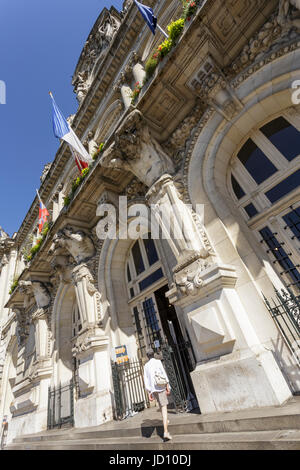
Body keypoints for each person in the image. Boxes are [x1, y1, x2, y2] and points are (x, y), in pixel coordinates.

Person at [143, 348, 172, 441]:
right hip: (160, 387)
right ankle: (166, 431)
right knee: (164, 408)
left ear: (147, 356)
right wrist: (168, 385)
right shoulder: (158, 362)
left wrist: (149, 393)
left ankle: (165, 421)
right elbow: (163, 373)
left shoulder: (146, 366)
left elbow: (146, 379)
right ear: (153, 354)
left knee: (161, 405)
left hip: (153, 389)